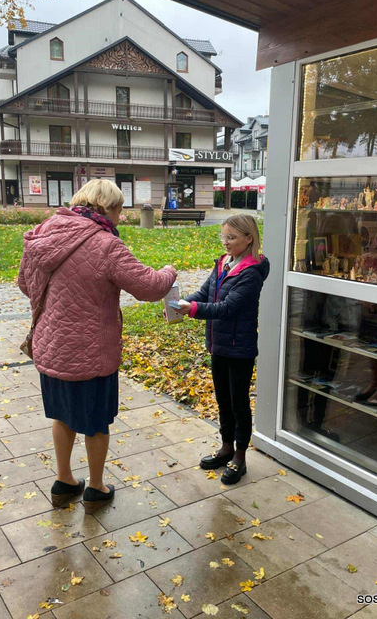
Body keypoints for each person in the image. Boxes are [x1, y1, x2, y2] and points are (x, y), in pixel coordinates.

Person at [18, 180, 176, 513]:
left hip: (52, 347)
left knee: (62, 416)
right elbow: (149, 287)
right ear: (107, 207)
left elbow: (24, 282)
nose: (121, 217)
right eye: (119, 209)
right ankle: (96, 488)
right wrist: (169, 271)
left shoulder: (44, 232)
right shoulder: (105, 244)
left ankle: (63, 481)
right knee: (96, 423)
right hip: (92, 353)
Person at [176, 214, 269, 484]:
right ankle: (226, 447)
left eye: (231, 237)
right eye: (223, 236)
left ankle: (240, 456)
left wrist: (192, 309)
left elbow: (227, 308)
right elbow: (205, 293)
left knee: (239, 403)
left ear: (248, 238)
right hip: (218, 346)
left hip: (239, 349)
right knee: (223, 401)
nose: (225, 242)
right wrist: (181, 303)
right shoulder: (224, 262)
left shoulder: (251, 272)